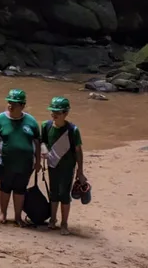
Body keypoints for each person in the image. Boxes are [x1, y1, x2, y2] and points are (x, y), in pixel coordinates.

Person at [0, 89, 41, 226]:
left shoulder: (31, 121)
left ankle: (18, 217)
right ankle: (3, 213)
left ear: (22, 105)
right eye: (9, 102)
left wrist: (38, 161)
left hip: (26, 164)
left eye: (15, 103)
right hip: (5, 162)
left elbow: (37, 142)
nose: (11, 105)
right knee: (5, 187)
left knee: (20, 189)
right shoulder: (0, 120)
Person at [42, 97, 85, 235]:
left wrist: (80, 171)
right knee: (53, 193)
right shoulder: (46, 126)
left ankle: (64, 223)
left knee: (64, 194)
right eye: (52, 111)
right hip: (52, 165)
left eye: (58, 112)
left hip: (67, 167)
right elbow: (42, 142)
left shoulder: (73, 130)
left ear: (66, 113)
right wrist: (44, 150)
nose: (54, 114)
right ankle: (53, 219)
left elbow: (78, 151)